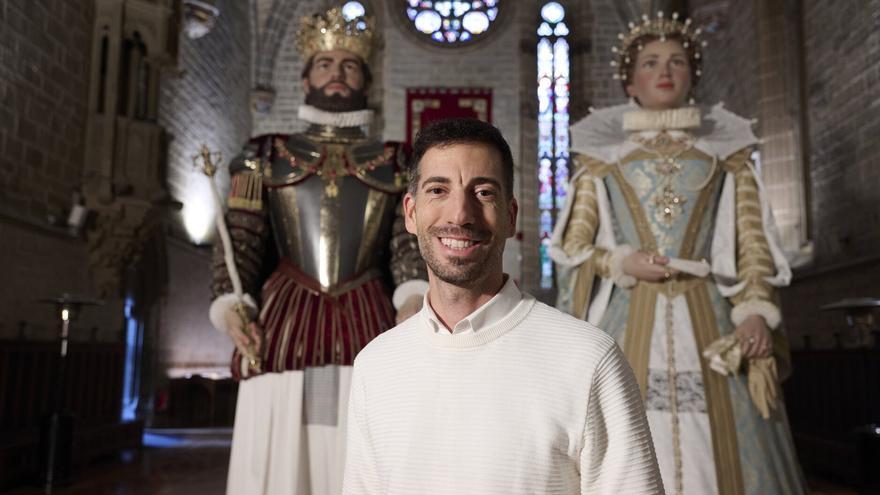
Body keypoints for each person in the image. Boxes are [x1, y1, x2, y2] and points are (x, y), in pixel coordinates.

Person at [549, 12, 806, 494]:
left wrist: (755, 312)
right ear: (630, 80)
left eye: (677, 61)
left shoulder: (728, 157)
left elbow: (753, 246)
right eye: (650, 62)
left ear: (693, 75)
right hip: (628, 318)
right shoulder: (600, 164)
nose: (664, 71)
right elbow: (572, 249)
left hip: (709, 315)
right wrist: (621, 261)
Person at [342, 118, 663, 494]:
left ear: (510, 216)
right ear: (411, 213)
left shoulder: (588, 359)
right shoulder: (376, 365)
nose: (460, 214)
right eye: (438, 190)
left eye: (482, 192)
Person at [208, 7, 427, 494]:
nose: (337, 73)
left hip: (368, 312)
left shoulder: (396, 160)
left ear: (365, 79)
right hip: (285, 315)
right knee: (279, 435)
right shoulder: (262, 155)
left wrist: (413, 299)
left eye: (349, 65)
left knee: (362, 431)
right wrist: (232, 308)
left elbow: (406, 243)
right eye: (326, 64)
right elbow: (241, 240)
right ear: (306, 76)